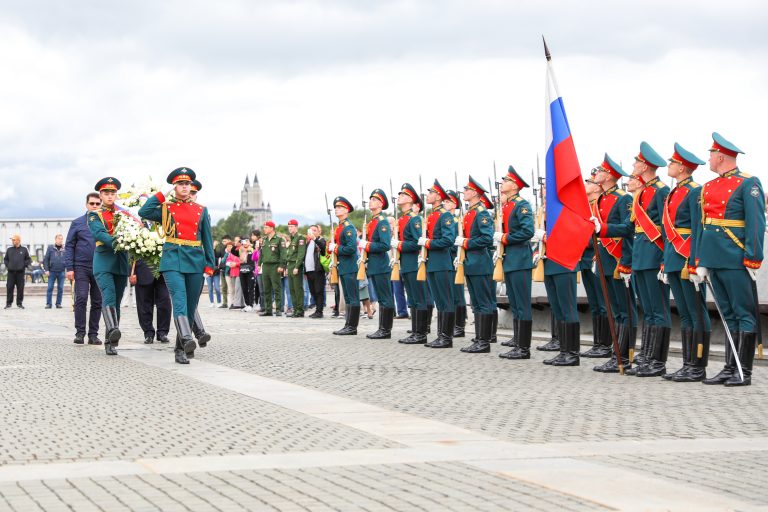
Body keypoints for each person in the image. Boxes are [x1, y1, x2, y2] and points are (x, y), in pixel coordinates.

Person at [691, 133, 765, 387]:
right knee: (728, 315)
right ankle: (729, 368)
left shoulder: (748, 183)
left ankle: (744, 370)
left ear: (721, 156)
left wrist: (753, 258)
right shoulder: (709, 187)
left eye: (711, 154)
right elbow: (703, 225)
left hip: (734, 257)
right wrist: (700, 259)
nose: (709, 159)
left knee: (743, 314)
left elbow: (756, 223)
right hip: (713, 258)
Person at [139, 167, 215, 364]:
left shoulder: (201, 210)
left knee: (191, 305)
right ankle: (187, 338)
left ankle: (180, 347)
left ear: (191, 187)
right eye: (180, 184)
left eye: (187, 184)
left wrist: (210, 264)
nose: (184, 186)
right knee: (179, 299)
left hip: (195, 260)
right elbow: (144, 211)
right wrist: (162, 193)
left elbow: (207, 238)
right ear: (174, 186)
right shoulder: (167, 208)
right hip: (172, 259)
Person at [659, 143, 712, 383]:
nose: (668, 166)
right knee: (685, 314)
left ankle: (698, 365)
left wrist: (696, 261)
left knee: (696, 311)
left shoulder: (694, 191)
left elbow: (697, 228)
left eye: (672, 163)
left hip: (686, 258)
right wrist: (664, 262)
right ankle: (687, 363)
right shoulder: (675, 191)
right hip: (673, 256)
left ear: (682, 167)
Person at [626, 142, 671, 377]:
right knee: (649, 310)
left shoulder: (662, 191)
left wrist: (664, 259)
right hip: (640, 256)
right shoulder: (643, 191)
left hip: (654, 255)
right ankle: (647, 356)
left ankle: (658, 361)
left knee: (659, 309)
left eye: (635, 162)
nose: (633, 165)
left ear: (643, 166)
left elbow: (666, 227)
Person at [591, 156, 636, 373]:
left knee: (624, 310)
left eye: (600, 171)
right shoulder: (601, 199)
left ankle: (625, 355)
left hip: (618, 258)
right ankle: (615, 353)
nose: (596, 174)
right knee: (615, 311)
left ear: (609, 175)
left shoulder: (622, 199)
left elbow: (628, 229)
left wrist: (604, 229)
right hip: (605, 259)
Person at [494, 167, 538, 359]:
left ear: (514, 185)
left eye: (506, 180)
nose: (502, 183)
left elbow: (527, 232)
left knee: (522, 304)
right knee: (515, 303)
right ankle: (517, 343)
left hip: (520, 260)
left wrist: (504, 238)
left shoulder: (522, 205)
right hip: (510, 260)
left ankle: (524, 348)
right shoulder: (507, 206)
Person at [88, 177, 130, 355]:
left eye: (113, 193)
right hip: (104, 262)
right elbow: (100, 234)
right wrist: (120, 241)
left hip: (120, 263)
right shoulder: (94, 214)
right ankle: (112, 333)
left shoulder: (124, 214)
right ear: (101, 195)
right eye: (106, 193)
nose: (110, 196)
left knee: (117, 303)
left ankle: (111, 339)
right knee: (110, 297)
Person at [455, 176, 495, 353]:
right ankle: (479, 338)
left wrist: (465, 243)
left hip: (480, 263)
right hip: (471, 263)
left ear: (474, 193)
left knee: (483, 302)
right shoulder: (470, 212)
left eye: (466, 189)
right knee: (476, 303)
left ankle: (484, 342)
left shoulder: (482, 213)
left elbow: (486, 238)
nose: (464, 192)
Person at [417, 180, 458, 348]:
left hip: (442, 263)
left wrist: (428, 243)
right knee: (439, 301)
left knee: (446, 300)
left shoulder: (445, 215)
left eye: (431, 193)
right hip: (432, 263)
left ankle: (446, 338)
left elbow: (448, 240)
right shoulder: (432, 215)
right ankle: (441, 335)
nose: (428, 196)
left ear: (438, 196)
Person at [577, 171, 610, 358]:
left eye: (589, 182)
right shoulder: (588, 207)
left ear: (598, 186)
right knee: (595, 304)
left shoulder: (601, 207)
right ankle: (598, 343)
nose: (585, 185)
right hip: (585, 259)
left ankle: (605, 344)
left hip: (597, 258)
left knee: (603, 303)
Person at [65, 193, 103, 345]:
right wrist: (69, 267)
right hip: (81, 266)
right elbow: (69, 245)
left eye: (97, 204)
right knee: (81, 298)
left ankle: (93, 334)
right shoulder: (78, 223)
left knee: (98, 301)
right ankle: (80, 333)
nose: (94, 206)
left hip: (100, 267)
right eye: (92, 203)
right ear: (86, 204)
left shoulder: (105, 222)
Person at [393, 183, 428, 344]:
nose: (399, 197)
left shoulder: (414, 220)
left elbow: (416, 243)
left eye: (402, 195)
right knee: (412, 299)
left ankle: (420, 334)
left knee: (418, 298)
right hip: (406, 264)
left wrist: (399, 245)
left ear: (410, 199)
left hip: (414, 263)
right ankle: (415, 331)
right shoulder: (403, 219)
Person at [361, 189, 395, 339]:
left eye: (375, 200)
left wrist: (367, 246)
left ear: (381, 204)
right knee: (381, 298)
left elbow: (385, 245)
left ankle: (385, 330)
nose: (371, 202)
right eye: (371, 199)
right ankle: (382, 328)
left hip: (381, 265)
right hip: (374, 265)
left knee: (385, 298)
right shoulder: (373, 221)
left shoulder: (382, 222)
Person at [330, 196, 360, 335]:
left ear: (347, 210)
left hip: (350, 266)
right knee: (347, 297)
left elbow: (351, 248)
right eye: (336, 207)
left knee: (352, 297)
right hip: (343, 266)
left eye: (340, 207)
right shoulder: (340, 227)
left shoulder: (348, 228)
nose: (337, 209)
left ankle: (352, 327)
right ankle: (348, 325)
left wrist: (335, 248)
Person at [443, 190, 467, 338]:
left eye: (447, 201)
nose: (444, 203)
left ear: (454, 204)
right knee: (449, 293)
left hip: (456, 259)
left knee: (458, 294)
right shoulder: (446, 219)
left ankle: (460, 325)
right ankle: (451, 324)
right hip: (447, 259)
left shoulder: (457, 221)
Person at [130, 259, 171, 344]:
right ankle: (148, 333)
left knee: (165, 301)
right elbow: (129, 251)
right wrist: (131, 271)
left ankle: (162, 332)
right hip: (142, 269)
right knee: (143, 303)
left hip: (162, 268)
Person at [259, 221, 286, 316]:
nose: (264, 229)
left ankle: (278, 309)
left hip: (275, 266)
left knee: (277, 288)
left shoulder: (279, 240)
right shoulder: (264, 240)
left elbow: (283, 254)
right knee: (266, 289)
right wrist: (259, 264)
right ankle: (268, 310)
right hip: (265, 266)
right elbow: (261, 253)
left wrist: (281, 266)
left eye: (266, 227)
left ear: (271, 228)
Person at [285, 219, 307, 317]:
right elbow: (289, 254)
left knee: (298, 289)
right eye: (289, 227)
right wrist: (286, 267)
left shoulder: (300, 238)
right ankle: (295, 309)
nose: (290, 228)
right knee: (292, 289)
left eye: (292, 226)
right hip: (289, 265)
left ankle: (300, 310)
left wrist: (297, 266)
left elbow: (301, 254)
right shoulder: (291, 238)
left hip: (295, 265)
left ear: (296, 227)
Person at [306, 225, 327, 318]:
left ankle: (320, 311)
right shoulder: (308, 242)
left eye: (315, 230)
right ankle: (317, 309)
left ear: (319, 232)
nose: (313, 232)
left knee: (319, 291)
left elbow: (323, 249)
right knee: (313, 291)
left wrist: (315, 238)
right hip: (309, 270)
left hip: (318, 270)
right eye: (311, 230)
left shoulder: (320, 240)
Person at [4, 234, 31, 309]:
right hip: (11, 273)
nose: (12, 241)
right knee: (9, 288)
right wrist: (8, 265)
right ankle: (8, 303)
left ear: (18, 240)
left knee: (20, 288)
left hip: (20, 273)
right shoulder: (9, 250)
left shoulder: (24, 249)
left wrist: (23, 265)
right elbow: (5, 259)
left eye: (13, 240)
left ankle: (19, 303)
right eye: (12, 240)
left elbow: (28, 259)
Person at [43, 234, 67, 309]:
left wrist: (67, 270)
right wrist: (46, 270)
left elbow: (68, 260)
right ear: (55, 239)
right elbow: (46, 259)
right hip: (52, 271)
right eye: (59, 239)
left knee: (60, 288)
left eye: (61, 239)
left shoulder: (65, 248)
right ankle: (48, 304)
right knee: (50, 288)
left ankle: (58, 303)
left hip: (62, 272)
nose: (60, 240)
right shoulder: (50, 248)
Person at [238, 239, 255, 311]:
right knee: (244, 288)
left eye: (246, 241)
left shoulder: (252, 249)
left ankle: (251, 304)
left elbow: (253, 259)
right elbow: (233, 250)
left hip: (250, 270)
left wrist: (250, 248)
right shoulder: (240, 249)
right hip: (242, 269)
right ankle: (247, 304)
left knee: (250, 288)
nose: (245, 243)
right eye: (243, 242)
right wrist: (240, 244)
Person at [207, 240, 222, 307]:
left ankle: (219, 301)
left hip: (216, 271)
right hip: (209, 271)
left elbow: (217, 256)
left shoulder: (218, 252)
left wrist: (214, 247)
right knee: (210, 288)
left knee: (217, 288)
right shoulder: (207, 252)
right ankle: (212, 302)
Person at [216, 235, 230, 308]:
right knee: (224, 287)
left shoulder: (232, 248)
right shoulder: (222, 248)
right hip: (222, 270)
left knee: (231, 288)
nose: (223, 242)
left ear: (229, 241)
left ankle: (234, 302)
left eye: (224, 241)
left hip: (230, 270)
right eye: (222, 241)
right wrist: (215, 247)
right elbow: (216, 256)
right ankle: (225, 303)